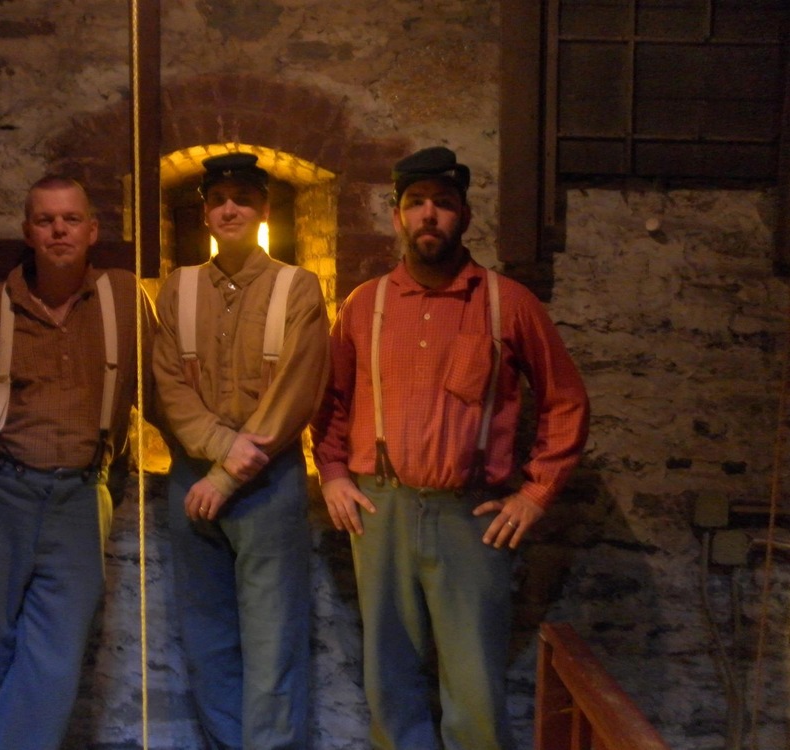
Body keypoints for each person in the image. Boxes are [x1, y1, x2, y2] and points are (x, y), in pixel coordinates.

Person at [310, 146, 590, 750]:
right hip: (380, 510)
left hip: (470, 515)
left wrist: (535, 494)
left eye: (443, 203)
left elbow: (566, 400)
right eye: (416, 203)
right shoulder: (364, 306)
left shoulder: (507, 304)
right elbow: (330, 401)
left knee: (474, 686)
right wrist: (332, 472)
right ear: (397, 217)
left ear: (464, 215)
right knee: (389, 680)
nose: (429, 214)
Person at [0, 175, 156, 750]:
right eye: (45, 220)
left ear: (92, 231)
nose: (59, 230)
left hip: (79, 496)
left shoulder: (124, 300)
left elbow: (157, 386)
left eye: (70, 219)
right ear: (28, 232)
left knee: (56, 660)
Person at [153, 152, 330, 749]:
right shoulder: (178, 289)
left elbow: (296, 389)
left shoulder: (296, 287)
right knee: (207, 640)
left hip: (266, 482)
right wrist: (220, 452)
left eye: (243, 199)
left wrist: (228, 472)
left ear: (264, 210)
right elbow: (168, 388)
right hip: (193, 475)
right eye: (218, 200)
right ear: (205, 212)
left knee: (273, 640)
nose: (230, 209)